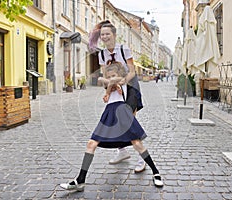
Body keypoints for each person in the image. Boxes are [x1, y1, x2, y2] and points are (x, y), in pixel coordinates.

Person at [59, 62, 164, 191]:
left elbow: (114, 80)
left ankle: (156, 172)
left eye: (113, 75)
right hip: (108, 113)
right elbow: (101, 80)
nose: (111, 78)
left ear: (120, 74)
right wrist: (108, 85)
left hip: (122, 113)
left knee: (137, 143)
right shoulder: (110, 84)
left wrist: (110, 84)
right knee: (91, 144)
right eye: (109, 76)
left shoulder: (124, 81)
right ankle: (80, 180)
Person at [89, 20, 146, 173]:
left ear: (114, 35)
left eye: (108, 34)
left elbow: (133, 72)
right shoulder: (102, 54)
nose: (105, 36)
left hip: (131, 86)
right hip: (115, 87)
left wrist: (122, 81)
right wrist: (108, 89)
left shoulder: (124, 49)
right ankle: (122, 152)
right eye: (102, 34)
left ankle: (142, 158)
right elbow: (105, 74)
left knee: (129, 122)